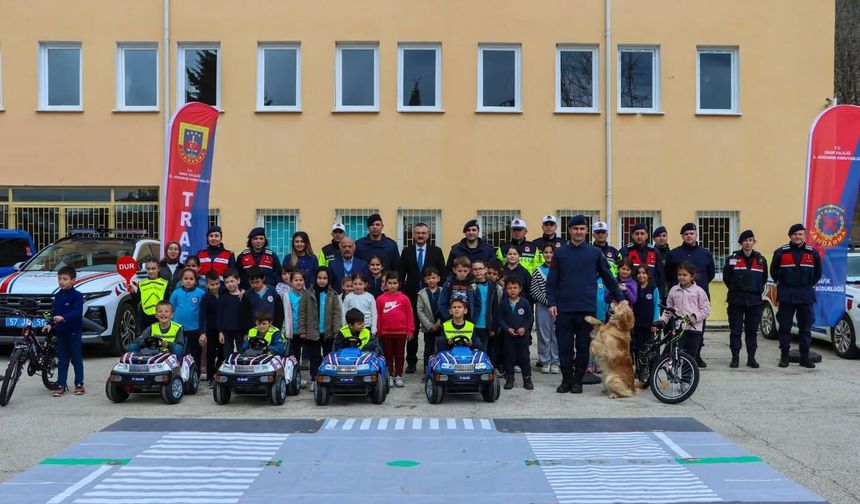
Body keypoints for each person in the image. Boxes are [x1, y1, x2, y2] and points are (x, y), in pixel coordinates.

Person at [547, 214, 622, 394]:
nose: (578, 232)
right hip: (564, 309)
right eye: (575, 228)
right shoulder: (560, 253)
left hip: (587, 309)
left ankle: (577, 381)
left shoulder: (595, 253)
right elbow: (551, 281)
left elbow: (607, 276)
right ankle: (566, 380)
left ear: (587, 231)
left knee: (583, 348)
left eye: (582, 228)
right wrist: (551, 303)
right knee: (564, 347)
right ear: (570, 231)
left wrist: (619, 296)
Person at [770, 223, 821, 368]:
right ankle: (784, 356)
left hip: (805, 294)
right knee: (785, 327)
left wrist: (807, 285)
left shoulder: (812, 253)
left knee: (805, 327)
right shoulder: (780, 252)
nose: (798, 237)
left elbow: (817, 273)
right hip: (787, 294)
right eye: (795, 234)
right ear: (790, 236)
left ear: (804, 236)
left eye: (800, 234)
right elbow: (774, 272)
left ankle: (804, 358)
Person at [665, 223, 716, 367]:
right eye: (686, 234)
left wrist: (698, 288)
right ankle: (676, 356)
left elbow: (710, 274)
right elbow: (669, 274)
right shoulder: (673, 254)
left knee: (698, 329)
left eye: (692, 233)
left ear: (696, 235)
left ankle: (696, 355)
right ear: (682, 236)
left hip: (698, 298)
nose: (689, 236)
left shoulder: (705, 254)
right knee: (678, 330)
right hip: (679, 298)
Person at [399, 222, 446, 373]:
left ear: (428, 235)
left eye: (423, 233)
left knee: (433, 330)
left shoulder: (436, 251)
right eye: (418, 232)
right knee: (412, 330)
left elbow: (443, 274)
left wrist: (442, 295)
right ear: (413, 234)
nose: (420, 235)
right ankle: (411, 362)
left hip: (432, 298)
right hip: (412, 296)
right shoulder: (407, 251)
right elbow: (401, 274)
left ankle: (433, 359)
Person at [724, 229, 768, 369]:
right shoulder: (733, 258)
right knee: (735, 331)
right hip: (736, 300)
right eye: (745, 241)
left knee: (752, 332)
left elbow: (764, 278)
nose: (748, 243)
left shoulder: (761, 260)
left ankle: (751, 358)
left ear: (754, 242)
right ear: (741, 243)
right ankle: (735, 358)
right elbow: (726, 277)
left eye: (750, 240)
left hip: (754, 301)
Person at [657, 262, 711, 360]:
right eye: (679, 275)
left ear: (692, 276)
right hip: (678, 329)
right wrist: (662, 321)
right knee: (674, 356)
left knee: (690, 358)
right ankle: (672, 374)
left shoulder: (699, 291)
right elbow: (669, 310)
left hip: (694, 330)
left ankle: (688, 375)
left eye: (685, 275)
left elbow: (706, 308)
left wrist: (696, 317)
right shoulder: (674, 290)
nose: (681, 277)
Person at [43, 266, 84, 396]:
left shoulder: (77, 296)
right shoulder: (58, 295)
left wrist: (64, 317)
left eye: (65, 279)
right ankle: (61, 384)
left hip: (74, 333)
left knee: (76, 359)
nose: (61, 281)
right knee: (62, 360)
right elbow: (54, 312)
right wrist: (50, 324)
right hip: (61, 334)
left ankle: (79, 384)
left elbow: (77, 312)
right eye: (59, 278)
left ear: (73, 281)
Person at [376, 272, 415, 387]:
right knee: (388, 355)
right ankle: (389, 375)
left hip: (401, 332)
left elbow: (409, 315)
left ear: (399, 284)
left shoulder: (404, 299)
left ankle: (398, 376)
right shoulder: (380, 299)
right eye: (389, 283)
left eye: (395, 283)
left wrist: (410, 330)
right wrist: (378, 331)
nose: (392, 285)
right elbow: (378, 315)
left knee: (399, 355)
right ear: (385, 284)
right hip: (386, 333)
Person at [298, 266, 343, 359]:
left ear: (328, 279)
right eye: (319, 278)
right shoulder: (307, 294)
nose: (322, 281)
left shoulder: (333, 295)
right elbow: (302, 313)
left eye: (325, 278)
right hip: (312, 332)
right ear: (315, 278)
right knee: (315, 357)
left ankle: (327, 373)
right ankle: (315, 374)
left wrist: (336, 330)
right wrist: (302, 329)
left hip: (328, 333)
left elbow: (337, 313)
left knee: (329, 357)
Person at [499, 277, 534, 390]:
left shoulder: (524, 303)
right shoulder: (503, 303)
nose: (512, 290)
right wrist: (507, 328)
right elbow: (500, 319)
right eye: (509, 288)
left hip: (522, 337)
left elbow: (530, 318)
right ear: (505, 289)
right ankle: (509, 378)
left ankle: (527, 378)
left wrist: (524, 328)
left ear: (520, 289)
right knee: (509, 357)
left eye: (515, 288)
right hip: (508, 336)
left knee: (524, 357)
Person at [170, 267, 205, 378]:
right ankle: (177, 375)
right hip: (178, 329)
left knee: (195, 354)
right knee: (178, 353)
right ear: (181, 280)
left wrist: (203, 331)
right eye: (186, 278)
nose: (188, 281)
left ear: (196, 280)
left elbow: (204, 313)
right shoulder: (176, 293)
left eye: (191, 278)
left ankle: (195, 376)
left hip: (195, 329)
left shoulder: (201, 293)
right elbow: (171, 309)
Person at [531, 242, 559, 374]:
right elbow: (534, 290)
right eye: (546, 252)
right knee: (543, 335)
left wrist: (556, 302)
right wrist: (549, 302)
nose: (549, 255)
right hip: (542, 307)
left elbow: (563, 287)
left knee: (556, 334)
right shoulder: (537, 270)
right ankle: (545, 361)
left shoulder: (561, 269)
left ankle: (555, 362)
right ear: (543, 254)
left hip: (559, 307)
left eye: (551, 252)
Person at [619, 223, 664, 294]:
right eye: (637, 234)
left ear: (647, 235)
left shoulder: (654, 251)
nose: (639, 236)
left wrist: (660, 294)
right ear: (632, 236)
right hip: (630, 292)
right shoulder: (625, 251)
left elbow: (661, 275)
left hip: (651, 292)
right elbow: (618, 273)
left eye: (642, 233)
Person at [471, 258, 500, 363]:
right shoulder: (470, 286)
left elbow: (495, 308)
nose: (478, 271)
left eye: (480, 268)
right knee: (472, 350)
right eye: (475, 269)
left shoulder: (492, 287)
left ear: (485, 270)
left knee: (484, 350)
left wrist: (493, 327)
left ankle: (483, 371)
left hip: (485, 325)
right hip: (472, 324)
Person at [131, 256, 171, 330]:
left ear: (158, 269)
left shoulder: (165, 283)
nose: (151, 271)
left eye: (153, 268)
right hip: (144, 320)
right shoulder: (141, 283)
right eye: (148, 269)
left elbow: (167, 303)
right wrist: (132, 292)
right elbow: (136, 301)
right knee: (146, 340)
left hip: (160, 319)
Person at [241, 266, 285, 332]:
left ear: (263, 278)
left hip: (272, 329)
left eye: (257, 282)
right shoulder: (247, 295)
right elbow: (245, 316)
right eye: (252, 283)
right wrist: (247, 331)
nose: (255, 285)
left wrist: (277, 327)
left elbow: (279, 312)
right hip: (255, 330)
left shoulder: (272, 291)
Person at [632, 265, 661, 363]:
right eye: (639, 273)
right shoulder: (634, 288)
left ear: (648, 275)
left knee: (649, 347)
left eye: (644, 273)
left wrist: (655, 323)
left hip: (649, 325)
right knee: (638, 347)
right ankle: (639, 368)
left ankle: (650, 368)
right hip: (637, 324)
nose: (641, 275)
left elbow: (657, 306)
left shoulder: (653, 289)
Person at [417, 267, 443, 372]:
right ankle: (427, 371)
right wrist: (429, 325)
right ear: (425, 280)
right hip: (428, 328)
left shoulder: (443, 291)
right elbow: (420, 311)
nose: (431, 280)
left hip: (441, 326)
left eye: (434, 277)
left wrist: (438, 324)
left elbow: (445, 308)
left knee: (441, 348)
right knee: (428, 349)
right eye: (428, 278)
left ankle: (440, 370)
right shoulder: (421, 294)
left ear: (439, 278)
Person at [439, 256, 479, 322]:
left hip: (467, 320)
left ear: (469, 270)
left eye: (465, 271)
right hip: (450, 319)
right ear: (454, 270)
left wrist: (473, 318)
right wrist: (447, 317)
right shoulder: (449, 283)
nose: (462, 273)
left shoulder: (472, 284)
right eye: (459, 271)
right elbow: (442, 302)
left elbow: (477, 303)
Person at [201, 270, 223, 387]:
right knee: (210, 353)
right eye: (212, 284)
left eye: (217, 284)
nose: (215, 287)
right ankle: (210, 377)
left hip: (223, 330)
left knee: (222, 353)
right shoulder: (205, 298)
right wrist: (203, 332)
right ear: (207, 285)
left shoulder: (224, 293)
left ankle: (219, 374)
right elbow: (202, 316)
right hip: (210, 330)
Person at [217, 269, 245, 358]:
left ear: (238, 280)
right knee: (227, 354)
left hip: (241, 330)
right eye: (227, 282)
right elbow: (219, 315)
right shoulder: (223, 298)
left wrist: (247, 333)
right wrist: (220, 332)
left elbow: (247, 315)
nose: (230, 284)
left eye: (232, 281)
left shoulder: (244, 296)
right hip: (226, 331)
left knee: (242, 353)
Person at [284, 271, 305, 344]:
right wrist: (287, 331)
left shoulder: (308, 294)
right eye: (296, 280)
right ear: (291, 282)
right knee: (295, 353)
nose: (298, 282)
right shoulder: (288, 296)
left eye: (301, 280)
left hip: (307, 330)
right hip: (294, 330)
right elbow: (286, 314)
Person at [652, 226, 671, 296]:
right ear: (654, 239)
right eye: (659, 236)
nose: (662, 238)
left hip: (669, 290)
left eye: (664, 236)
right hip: (654, 288)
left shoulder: (672, 254)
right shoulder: (650, 253)